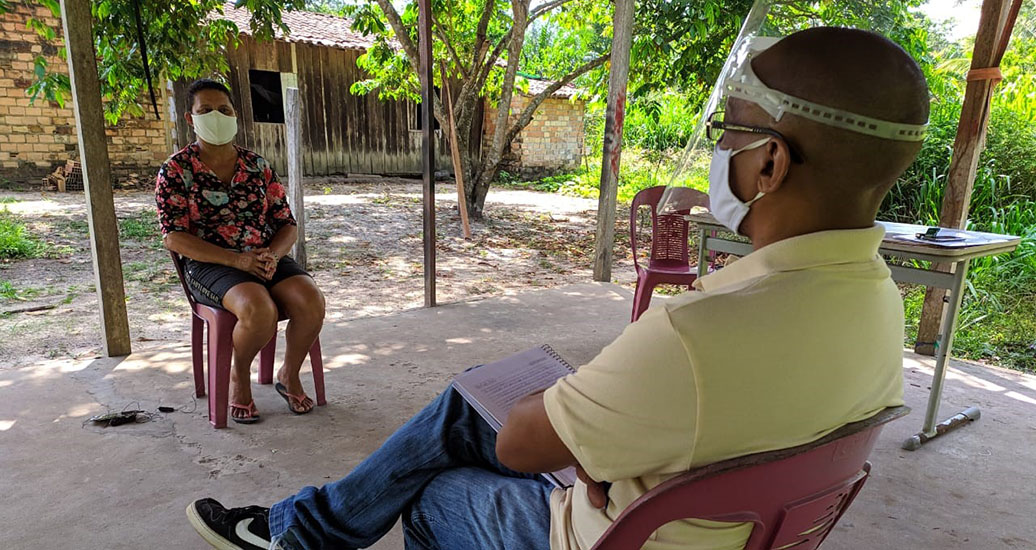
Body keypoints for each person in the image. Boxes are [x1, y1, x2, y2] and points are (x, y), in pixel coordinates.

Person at [186, 27, 928, 550]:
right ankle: (301, 531)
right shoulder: (878, 302)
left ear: (769, 165)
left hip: (617, 538)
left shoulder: (699, 332)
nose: (719, 154)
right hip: (716, 525)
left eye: (731, 135)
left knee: (439, 487)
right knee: (459, 407)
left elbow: (520, 444)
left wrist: (590, 441)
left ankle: (302, 535)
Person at [156, 79, 325, 423]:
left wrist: (273, 255)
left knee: (310, 300)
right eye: (206, 111)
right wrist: (237, 260)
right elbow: (174, 237)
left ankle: (289, 374)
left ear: (235, 116)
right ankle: (238, 376)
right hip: (210, 264)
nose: (216, 117)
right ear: (191, 119)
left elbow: (286, 223)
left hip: (262, 257)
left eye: (224, 110)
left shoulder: (256, 166)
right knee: (257, 308)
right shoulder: (176, 170)